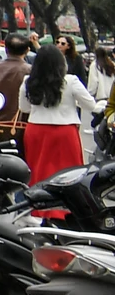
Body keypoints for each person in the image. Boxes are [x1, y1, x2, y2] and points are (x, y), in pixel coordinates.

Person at [21, 45, 98, 192]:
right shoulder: (70, 80)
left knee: (38, 168)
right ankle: (65, 206)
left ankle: (38, 204)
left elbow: (23, 108)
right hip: (64, 130)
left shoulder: (28, 81)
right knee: (68, 169)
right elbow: (90, 104)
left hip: (36, 129)